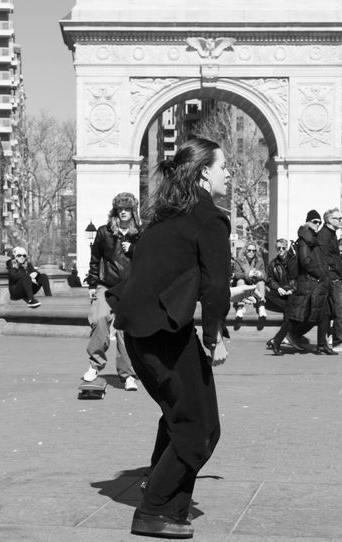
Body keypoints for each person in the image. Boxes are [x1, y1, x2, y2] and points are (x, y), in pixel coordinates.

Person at [106, 137, 231, 539]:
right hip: (163, 335)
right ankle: (155, 506)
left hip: (145, 335)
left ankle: (169, 504)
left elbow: (153, 276)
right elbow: (216, 287)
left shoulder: (165, 217)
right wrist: (214, 337)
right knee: (199, 430)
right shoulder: (209, 217)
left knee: (185, 420)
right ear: (205, 173)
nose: (229, 173)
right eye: (223, 166)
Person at [82, 192, 141, 392]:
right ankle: (95, 364)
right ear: (115, 211)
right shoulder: (104, 232)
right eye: (120, 209)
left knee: (125, 331)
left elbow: (151, 257)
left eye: (127, 209)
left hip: (131, 288)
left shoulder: (140, 233)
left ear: (133, 211)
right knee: (99, 319)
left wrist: (134, 248)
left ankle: (128, 375)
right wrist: (91, 284)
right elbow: (95, 259)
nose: (124, 212)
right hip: (106, 286)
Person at [271, 210, 333, 356]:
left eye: (319, 222)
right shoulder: (305, 238)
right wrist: (320, 274)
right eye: (314, 221)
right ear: (308, 222)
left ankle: (322, 345)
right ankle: (277, 340)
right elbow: (305, 261)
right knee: (296, 316)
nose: (317, 224)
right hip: (307, 283)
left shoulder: (312, 238)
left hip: (314, 283)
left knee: (324, 312)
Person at [317, 208, 342, 352]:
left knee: (328, 312)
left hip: (334, 278)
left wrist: (341, 277)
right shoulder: (324, 236)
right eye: (338, 219)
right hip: (331, 279)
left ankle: (331, 342)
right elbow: (327, 259)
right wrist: (336, 276)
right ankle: (339, 342)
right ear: (329, 220)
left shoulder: (331, 234)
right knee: (341, 310)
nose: (341, 221)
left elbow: (334, 259)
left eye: (341, 218)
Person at [264, 238, 308, 351]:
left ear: (287, 248)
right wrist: (278, 288)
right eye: (279, 248)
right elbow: (269, 279)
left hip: (291, 292)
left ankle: (281, 337)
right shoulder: (273, 263)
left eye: (283, 248)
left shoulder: (292, 261)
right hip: (280, 293)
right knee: (288, 305)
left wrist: (291, 289)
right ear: (276, 249)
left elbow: (295, 278)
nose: (281, 250)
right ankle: (286, 336)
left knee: (290, 305)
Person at [233, 242, 267, 330]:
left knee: (261, 282)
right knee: (240, 281)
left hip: (255, 285)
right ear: (245, 251)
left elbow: (264, 275)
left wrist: (260, 274)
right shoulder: (239, 260)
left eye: (253, 250)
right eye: (249, 250)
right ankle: (240, 307)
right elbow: (237, 275)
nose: (251, 252)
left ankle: (261, 306)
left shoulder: (259, 260)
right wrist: (248, 274)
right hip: (244, 285)